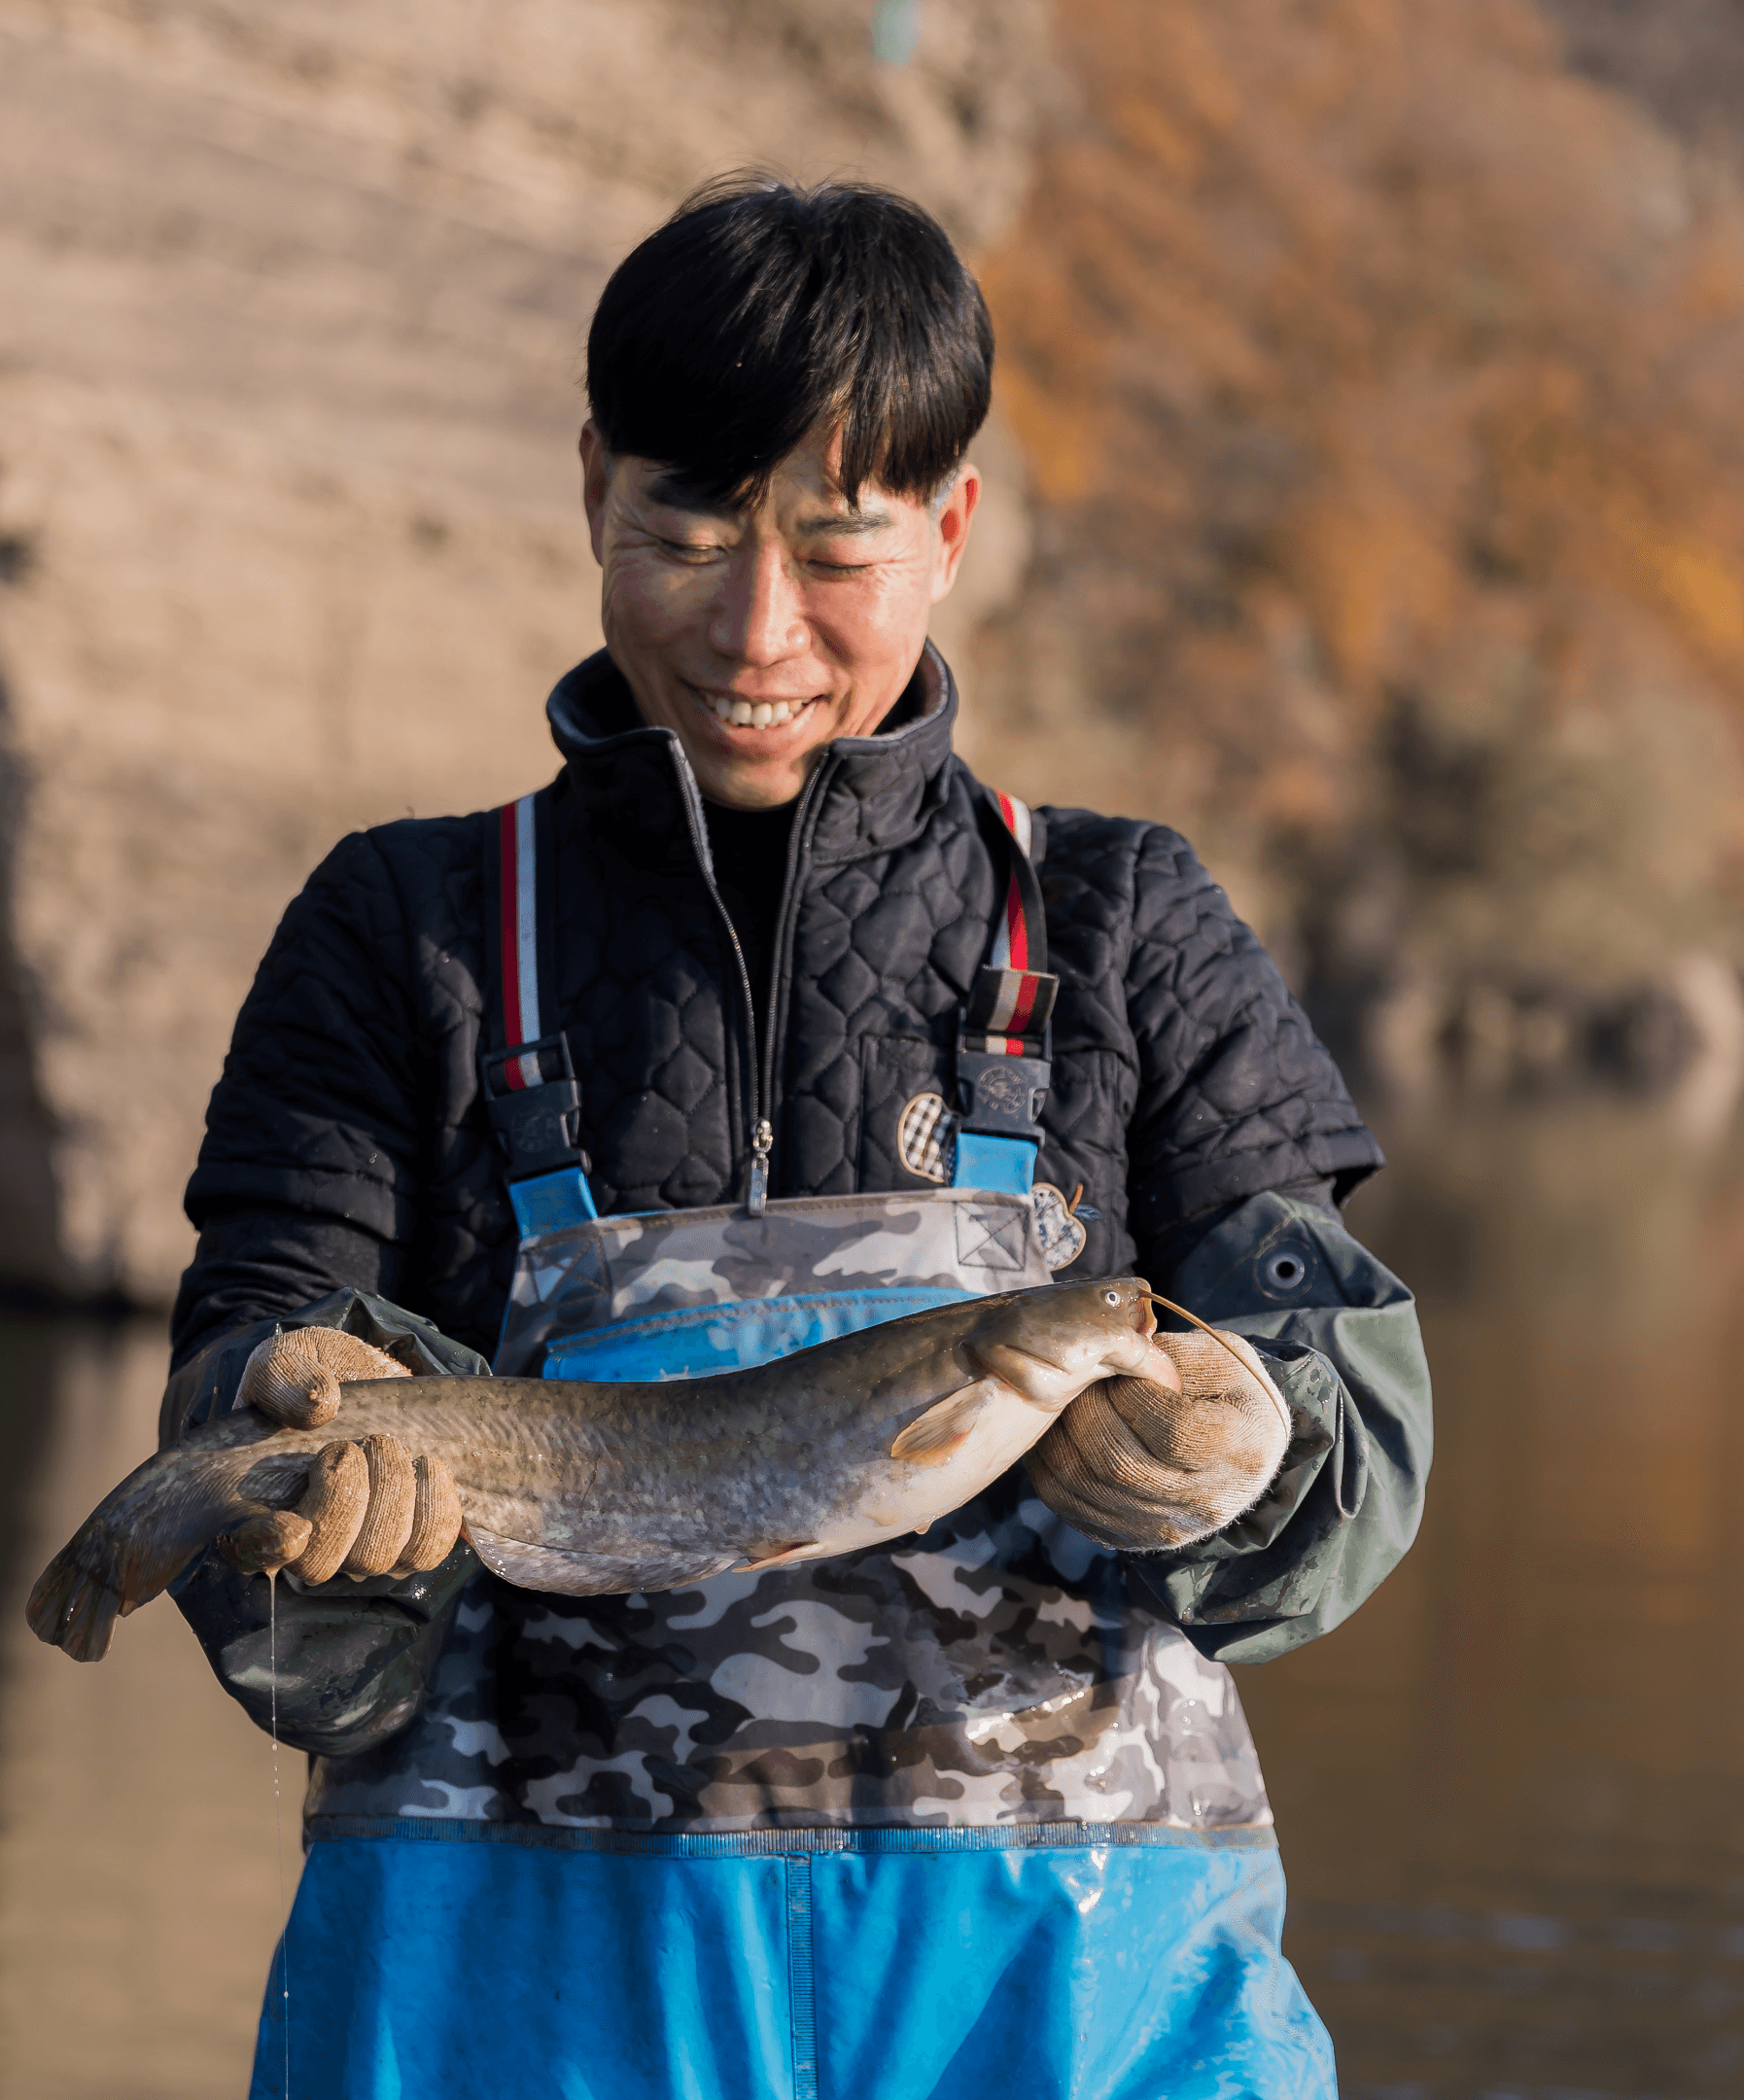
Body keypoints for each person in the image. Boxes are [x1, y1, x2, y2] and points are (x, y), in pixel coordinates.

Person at [161, 174, 1430, 2099]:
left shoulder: (1130, 929)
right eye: (683, 528)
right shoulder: (399, 932)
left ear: (951, 526)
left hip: (1067, 2026)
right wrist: (301, 1497)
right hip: (518, 2019)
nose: (759, 629)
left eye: (838, 548)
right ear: (592, 486)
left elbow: (1346, 1421)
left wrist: (1254, 1453)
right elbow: (251, 1360)